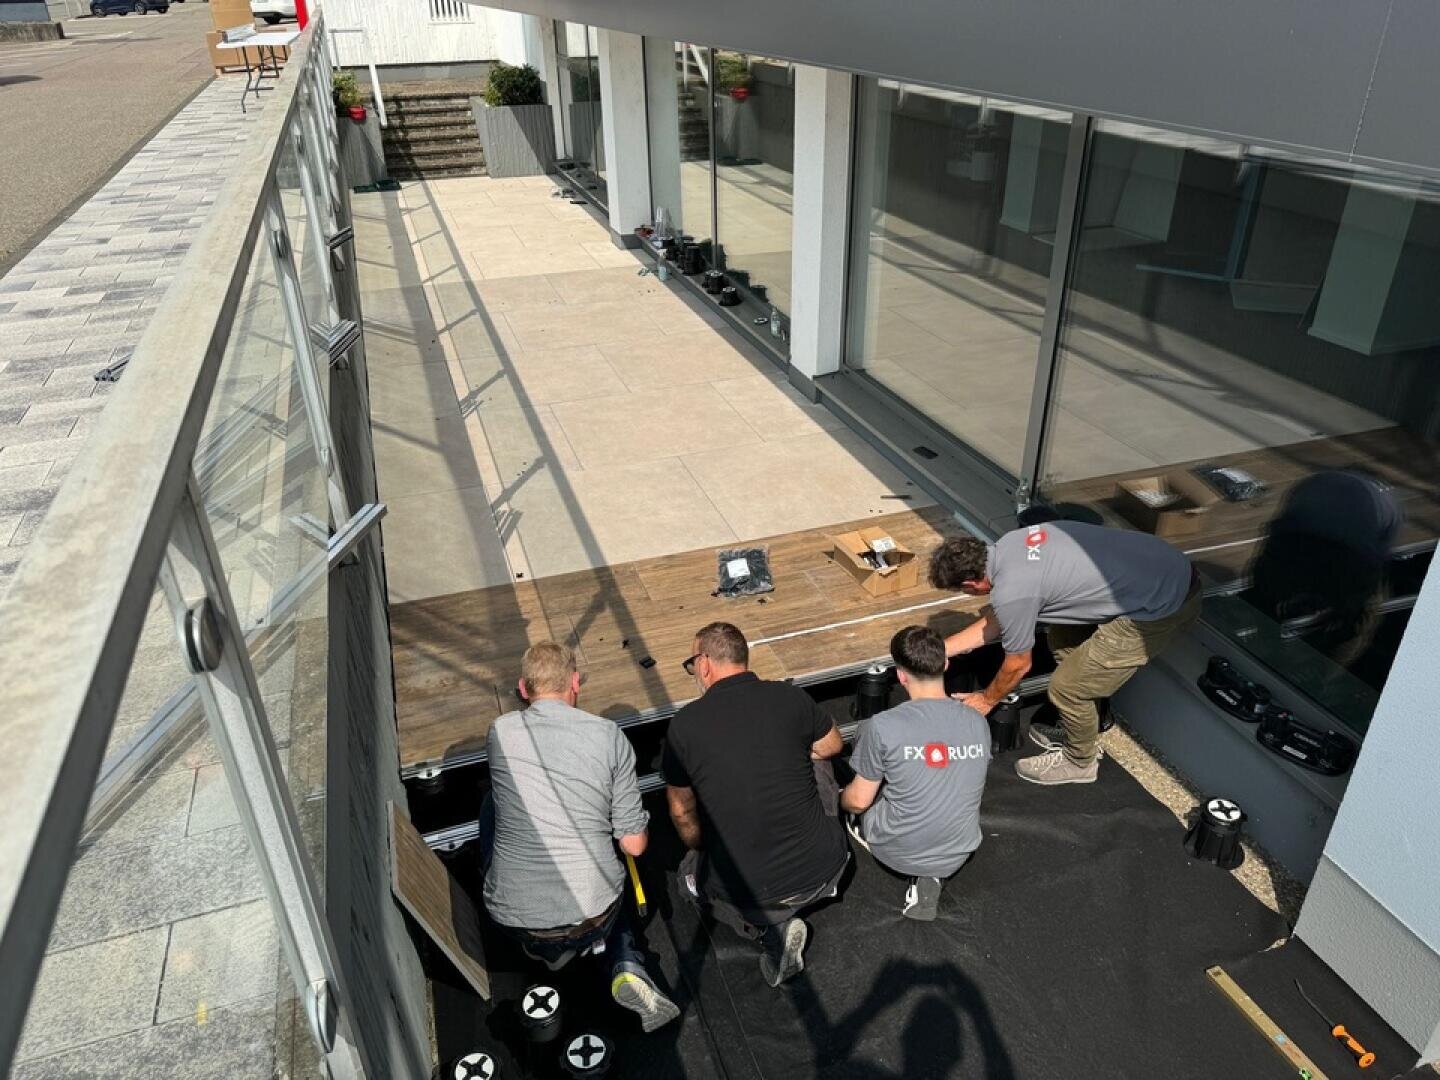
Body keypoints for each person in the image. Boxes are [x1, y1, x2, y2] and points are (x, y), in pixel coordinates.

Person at [482, 641, 679, 1032]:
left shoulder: (499, 732)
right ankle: (624, 963)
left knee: (492, 805)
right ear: (575, 682)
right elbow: (633, 845)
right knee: (607, 873)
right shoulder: (609, 737)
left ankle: (549, 955)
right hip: (593, 915)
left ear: (523, 689)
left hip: (515, 919)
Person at [929, 520, 1202, 786]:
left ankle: (1079, 762)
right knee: (1062, 639)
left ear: (970, 584)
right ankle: (1090, 721)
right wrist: (943, 650)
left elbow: (1018, 665)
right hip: (1163, 568)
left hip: (1163, 605)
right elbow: (1000, 620)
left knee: (1067, 689)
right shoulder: (1012, 543)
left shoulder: (1013, 591)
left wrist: (986, 701)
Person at [663, 621, 849, 987]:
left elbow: (682, 811)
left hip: (754, 897)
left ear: (704, 664)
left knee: (689, 881)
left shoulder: (684, 727)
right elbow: (831, 747)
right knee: (816, 762)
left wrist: (701, 845)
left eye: (691, 666)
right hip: (829, 868)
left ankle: (770, 932)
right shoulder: (790, 697)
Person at [839, 625, 991, 920]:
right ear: (946, 664)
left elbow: (858, 801)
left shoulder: (881, 726)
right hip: (960, 847)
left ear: (900, 675)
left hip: (897, 850)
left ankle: (907, 859)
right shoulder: (977, 722)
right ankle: (930, 875)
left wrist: (840, 800)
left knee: (862, 785)